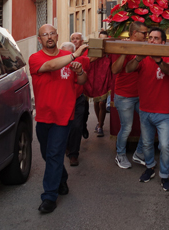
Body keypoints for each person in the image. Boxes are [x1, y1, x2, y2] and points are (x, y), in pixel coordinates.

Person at [29, 26, 88, 214]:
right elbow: (51, 66)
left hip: (64, 116)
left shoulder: (69, 56)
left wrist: (79, 70)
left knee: (54, 154)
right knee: (48, 155)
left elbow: (82, 80)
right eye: (44, 35)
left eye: (51, 33)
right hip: (44, 116)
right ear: (40, 39)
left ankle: (49, 197)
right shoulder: (35, 58)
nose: (49, 37)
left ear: (57, 35)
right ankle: (61, 179)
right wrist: (74, 56)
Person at [125, 27, 169, 191]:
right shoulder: (142, 56)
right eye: (150, 38)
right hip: (145, 110)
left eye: (156, 38)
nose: (152, 41)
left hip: (164, 112)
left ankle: (165, 176)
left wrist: (159, 60)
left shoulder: (166, 55)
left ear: (163, 42)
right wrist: (138, 59)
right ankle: (150, 168)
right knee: (147, 144)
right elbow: (129, 69)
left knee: (165, 145)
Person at [111, 21, 149, 169]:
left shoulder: (145, 46)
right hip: (124, 95)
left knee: (147, 124)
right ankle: (120, 155)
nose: (146, 36)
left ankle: (139, 153)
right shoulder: (123, 45)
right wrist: (124, 52)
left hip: (141, 94)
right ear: (135, 33)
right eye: (144, 33)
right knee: (126, 127)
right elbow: (115, 70)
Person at [66, 32, 91, 166]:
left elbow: (90, 62)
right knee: (65, 126)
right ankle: (67, 147)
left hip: (78, 99)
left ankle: (74, 154)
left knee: (76, 126)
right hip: (63, 101)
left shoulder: (82, 59)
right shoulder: (59, 62)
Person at [84, 30, 113, 137]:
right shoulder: (91, 49)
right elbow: (86, 61)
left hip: (105, 79)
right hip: (94, 78)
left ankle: (100, 126)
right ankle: (99, 122)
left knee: (102, 103)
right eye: (100, 38)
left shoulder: (110, 52)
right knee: (96, 103)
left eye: (104, 39)